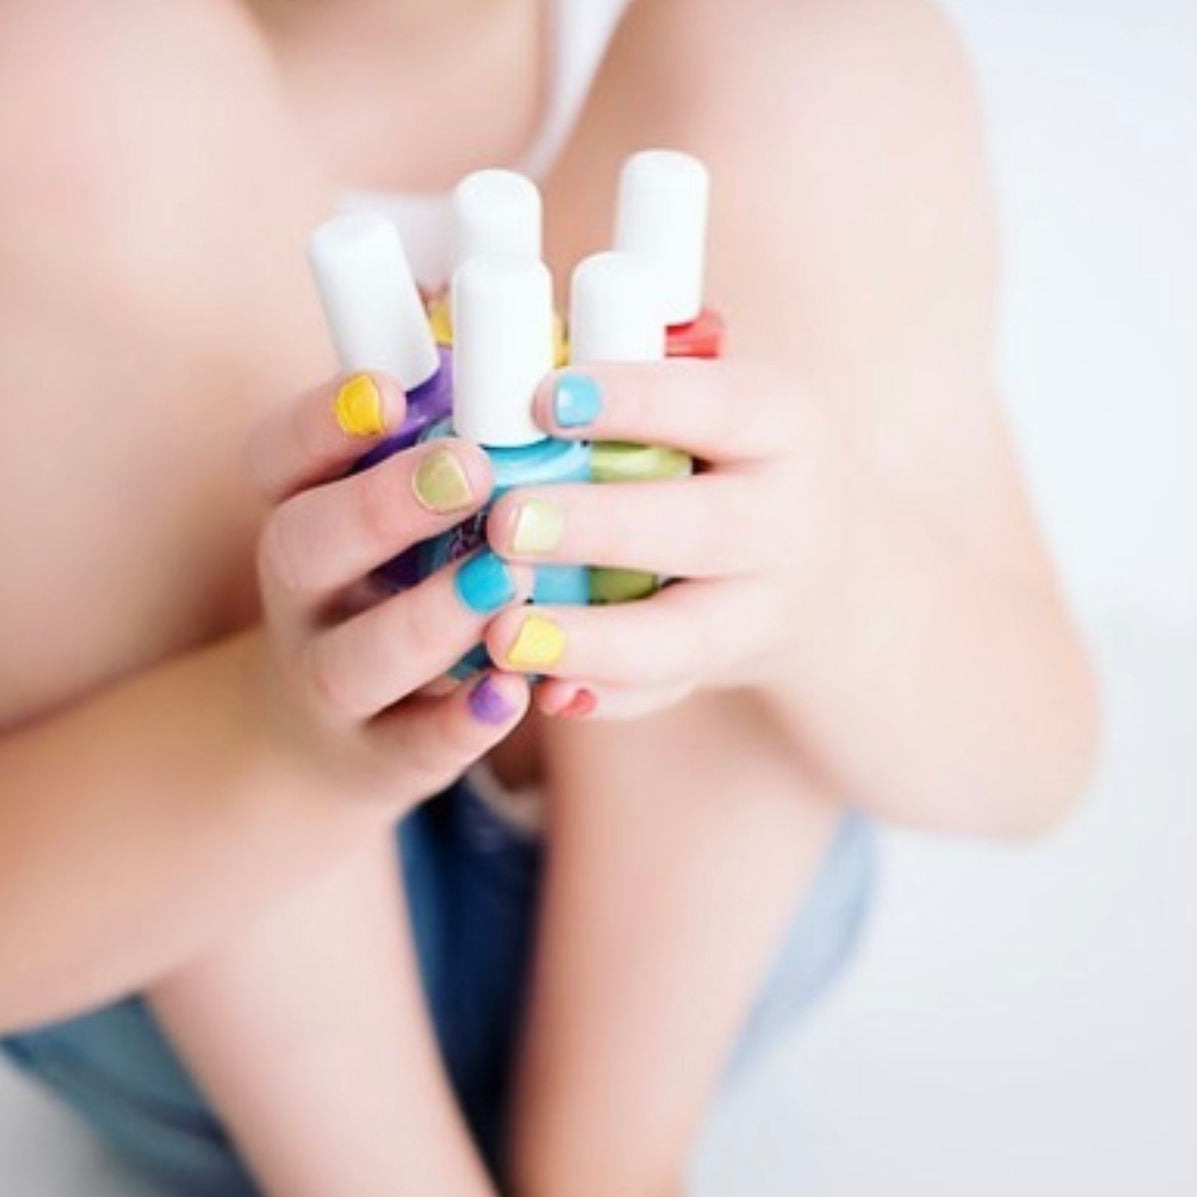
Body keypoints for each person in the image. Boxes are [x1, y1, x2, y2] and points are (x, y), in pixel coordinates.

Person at [0, 1, 1098, 1195]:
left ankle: (613, 1169)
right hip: (168, 941)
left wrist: (819, 581)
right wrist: (275, 741)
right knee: (65, 79)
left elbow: (1035, 761)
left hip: (688, 958)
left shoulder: (760, 70)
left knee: (803, 56)